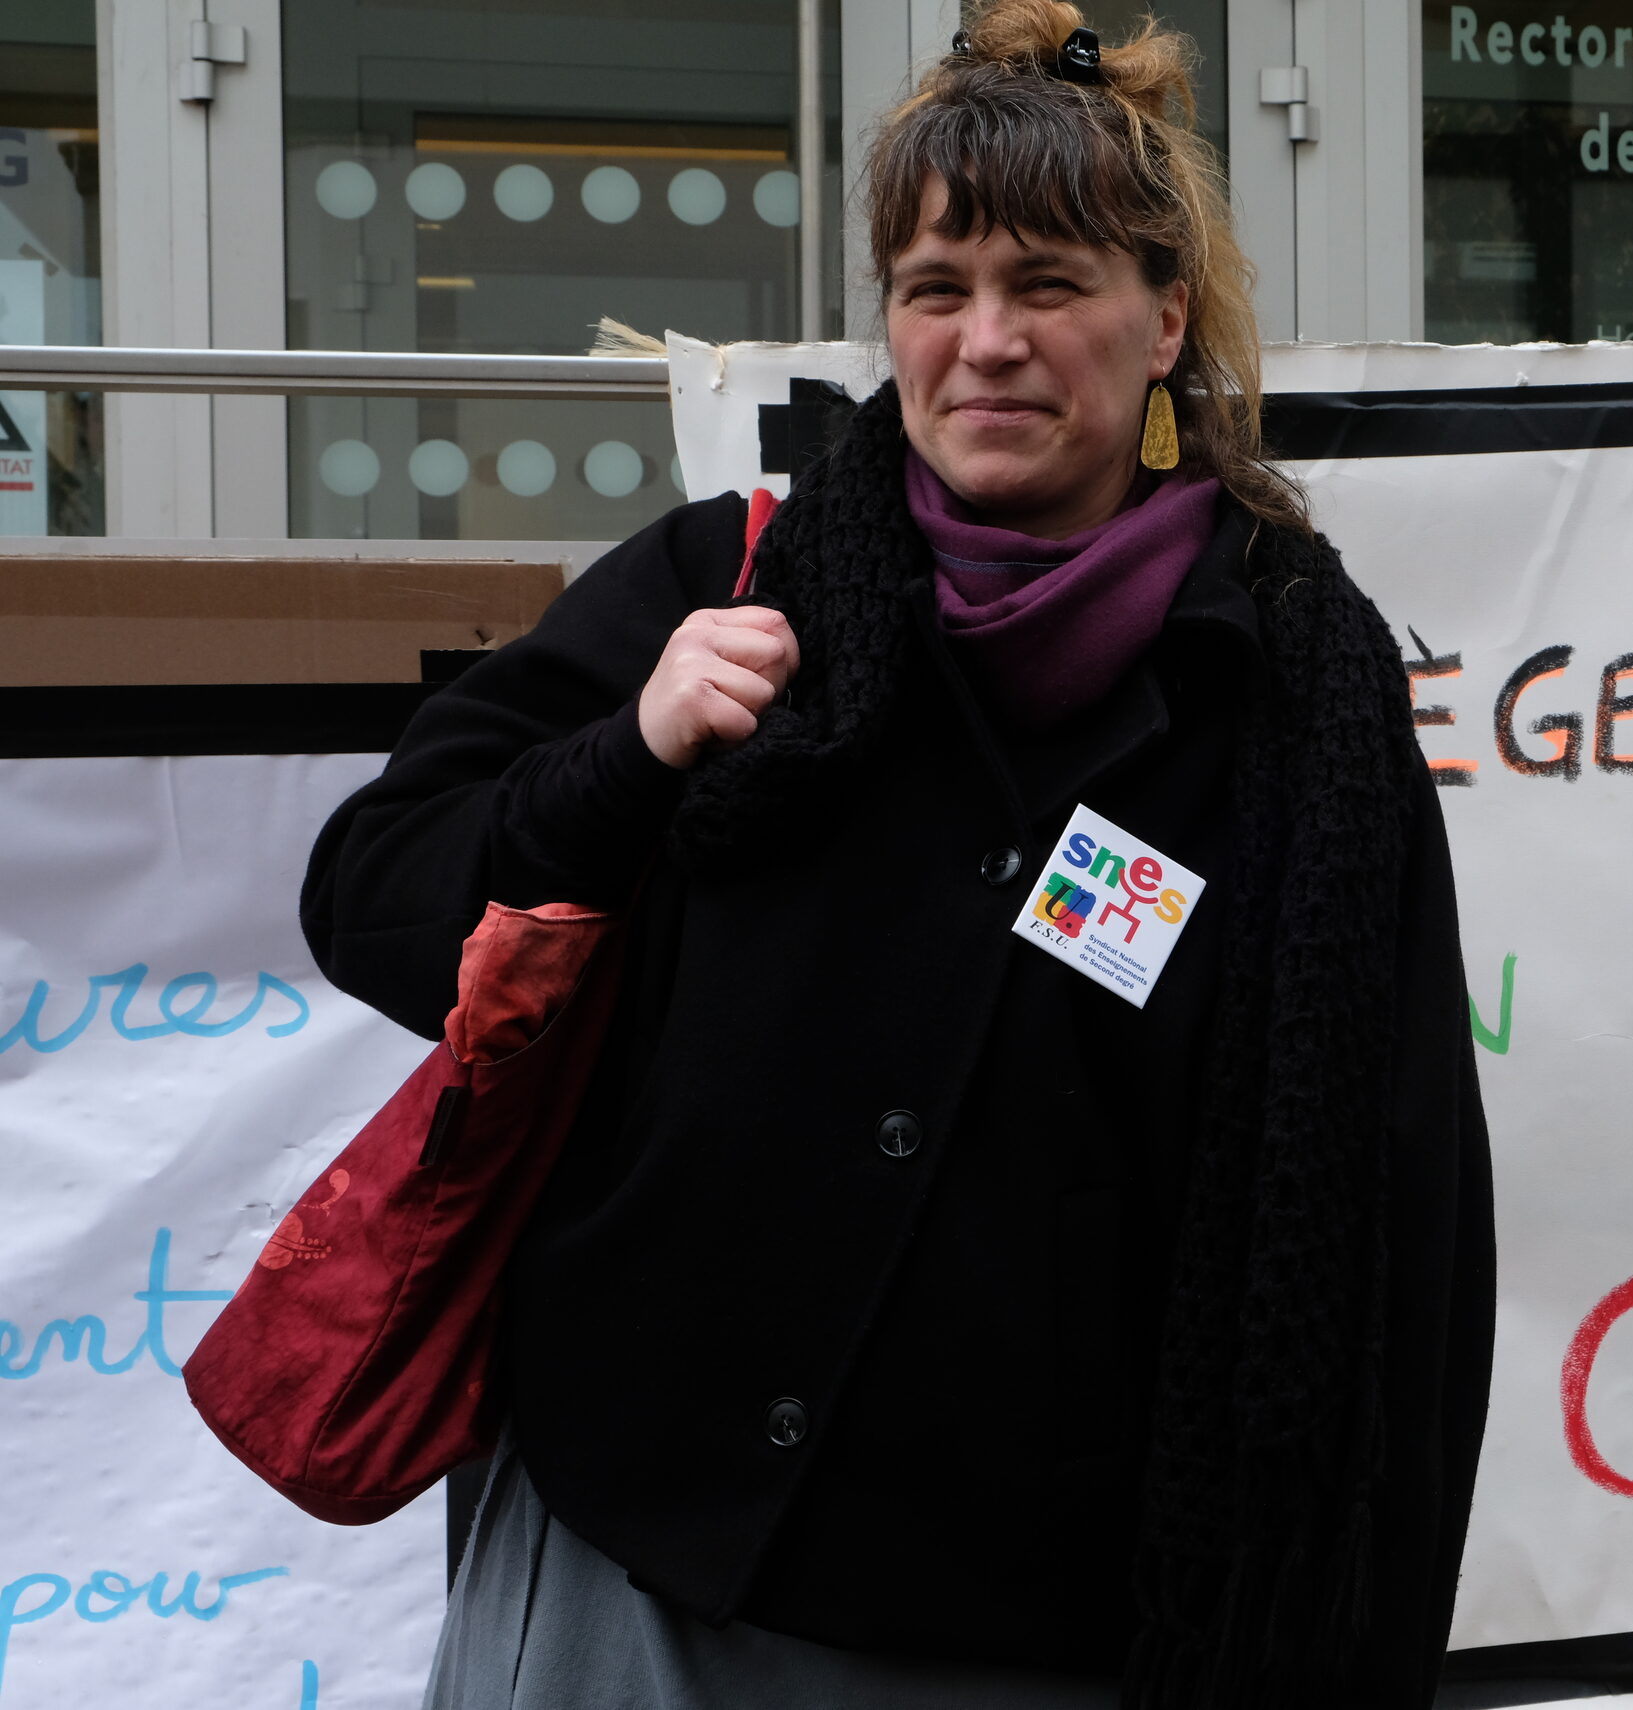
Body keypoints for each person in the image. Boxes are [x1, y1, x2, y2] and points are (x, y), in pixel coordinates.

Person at [298, 4, 1496, 1705]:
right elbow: (372, 901)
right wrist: (626, 755)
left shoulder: (1293, 695)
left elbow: (1399, 1220)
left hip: (1046, 1637)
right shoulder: (726, 585)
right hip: (640, 1585)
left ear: (1164, 320)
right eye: (938, 289)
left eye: (1050, 283)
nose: (988, 342)